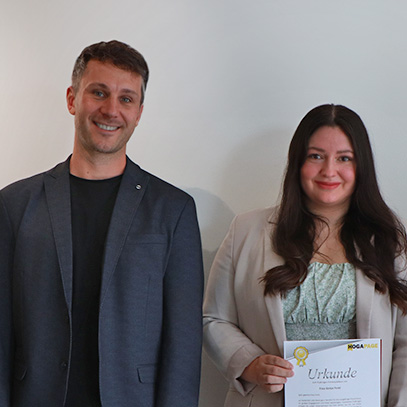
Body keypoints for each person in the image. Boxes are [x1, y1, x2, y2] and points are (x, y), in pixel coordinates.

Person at [0, 40, 204, 407]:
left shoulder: (173, 210)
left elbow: (183, 346)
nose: (111, 109)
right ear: (72, 99)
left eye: (126, 98)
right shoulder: (14, 205)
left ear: (140, 111)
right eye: (99, 92)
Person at [203, 104, 407, 407]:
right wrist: (250, 363)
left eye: (344, 158)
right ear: (297, 162)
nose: (329, 170)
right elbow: (214, 319)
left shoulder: (389, 241)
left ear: (361, 167)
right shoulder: (247, 231)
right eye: (316, 156)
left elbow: (404, 345)